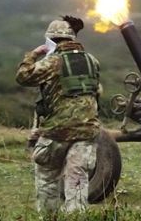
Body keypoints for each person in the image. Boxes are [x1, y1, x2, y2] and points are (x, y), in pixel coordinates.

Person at [16, 15, 101, 214]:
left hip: (57, 132)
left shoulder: (52, 62)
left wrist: (33, 54)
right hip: (88, 132)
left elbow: (23, 77)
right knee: (78, 180)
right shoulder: (92, 61)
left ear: (51, 41)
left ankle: (49, 216)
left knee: (47, 175)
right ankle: (76, 216)